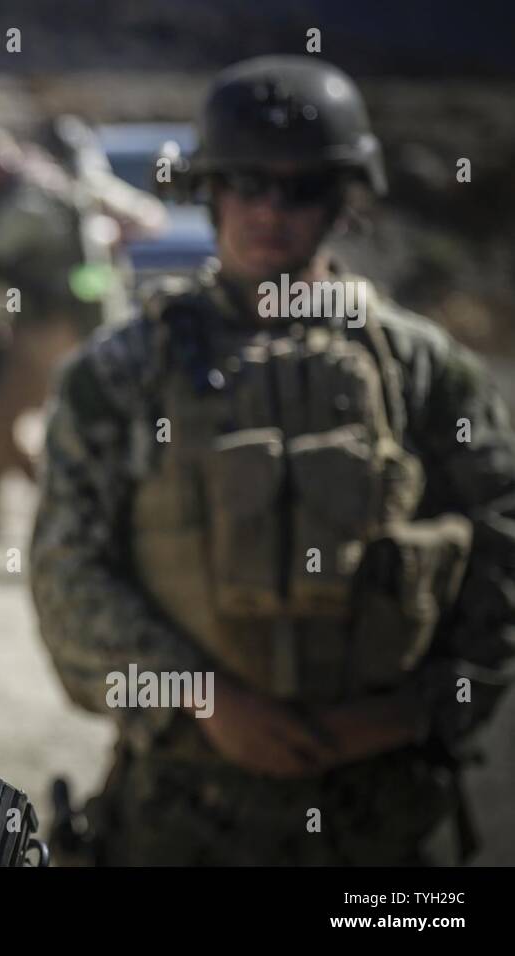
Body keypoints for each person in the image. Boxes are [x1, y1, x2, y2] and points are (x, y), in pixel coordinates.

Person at [32, 56, 515, 865]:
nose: (270, 210)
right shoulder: (120, 372)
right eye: (248, 182)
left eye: (303, 189)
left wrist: (414, 710)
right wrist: (202, 697)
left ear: (344, 198)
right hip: (186, 815)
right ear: (209, 189)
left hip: (385, 818)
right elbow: (65, 575)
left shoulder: (425, 371)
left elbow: (500, 545)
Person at [0, 125, 163, 535]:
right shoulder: (21, 190)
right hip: (36, 325)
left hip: (55, 327)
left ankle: (73, 510)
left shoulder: (34, 194)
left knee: (10, 416)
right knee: (3, 415)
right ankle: (10, 514)